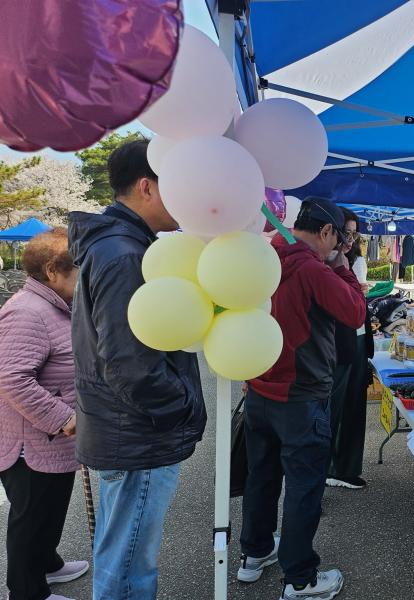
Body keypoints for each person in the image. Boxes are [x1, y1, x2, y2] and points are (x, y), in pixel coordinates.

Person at [68, 140, 206, 599]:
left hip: (126, 430)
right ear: (146, 187)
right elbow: (129, 364)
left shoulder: (118, 245)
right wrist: (180, 406)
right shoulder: (125, 253)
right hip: (138, 433)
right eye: (177, 185)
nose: (188, 197)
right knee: (128, 564)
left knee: (119, 553)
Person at [239, 198, 365, 600]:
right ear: (326, 232)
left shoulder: (263, 256)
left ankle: (254, 553)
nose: (339, 249)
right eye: (339, 240)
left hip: (259, 388)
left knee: (261, 475)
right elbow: (355, 312)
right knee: (304, 486)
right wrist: (343, 268)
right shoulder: (311, 267)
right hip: (302, 395)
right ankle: (300, 578)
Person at [0, 229, 87, 600]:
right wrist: (64, 418)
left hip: (49, 440)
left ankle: (47, 564)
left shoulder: (52, 304)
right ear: (53, 271)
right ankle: (26, 590)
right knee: (31, 516)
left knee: (50, 507)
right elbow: (12, 378)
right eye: (77, 270)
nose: (82, 278)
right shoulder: (27, 311)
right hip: (29, 444)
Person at [327, 209, 372, 490]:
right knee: (331, 408)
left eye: (354, 233)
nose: (350, 238)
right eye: (346, 231)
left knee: (354, 404)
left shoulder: (356, 260)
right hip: (335, 339)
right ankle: (324, 470)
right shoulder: (322, 262)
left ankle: (346, 467)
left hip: (357, 336)